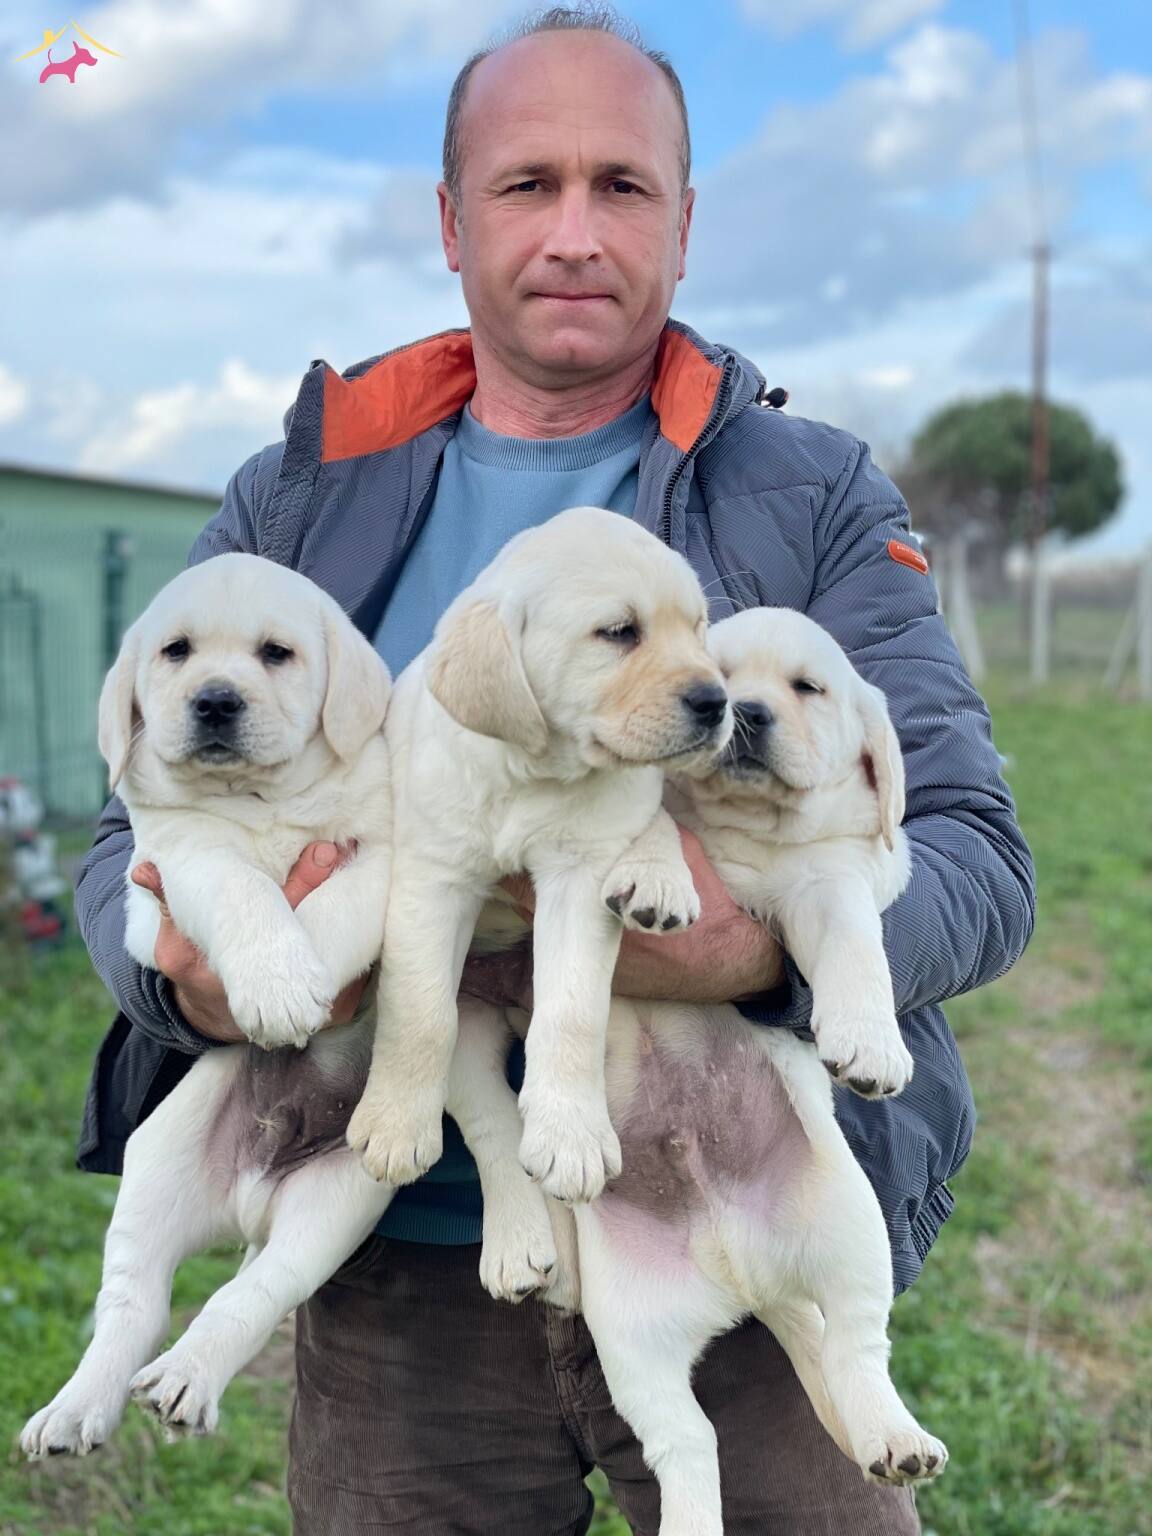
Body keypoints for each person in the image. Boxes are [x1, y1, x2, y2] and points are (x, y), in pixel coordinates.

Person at [75, 8, 1035, 1533]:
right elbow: (129, 820)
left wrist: (754, 947)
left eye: (622, 186)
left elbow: (977, 853)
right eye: (528, 184)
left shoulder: (815, 497)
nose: (576, 233)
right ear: (451, 220)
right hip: (399, 1265)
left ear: (685, 222)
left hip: (735, 1218)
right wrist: (186, 977)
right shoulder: (301, 493)